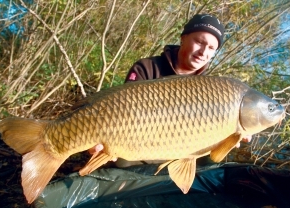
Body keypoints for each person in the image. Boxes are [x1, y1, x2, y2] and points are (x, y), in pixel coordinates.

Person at [89, 14, 252, 166]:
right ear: (183, 38)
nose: (204, 52)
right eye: (200, 42)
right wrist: (98, 140)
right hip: (138, 144)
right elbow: (119, 112)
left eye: (211, 48)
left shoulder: (213, 89)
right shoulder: (147, 68)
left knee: (208, 162)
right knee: (121, 159)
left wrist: (229, 139)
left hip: (180, 153)